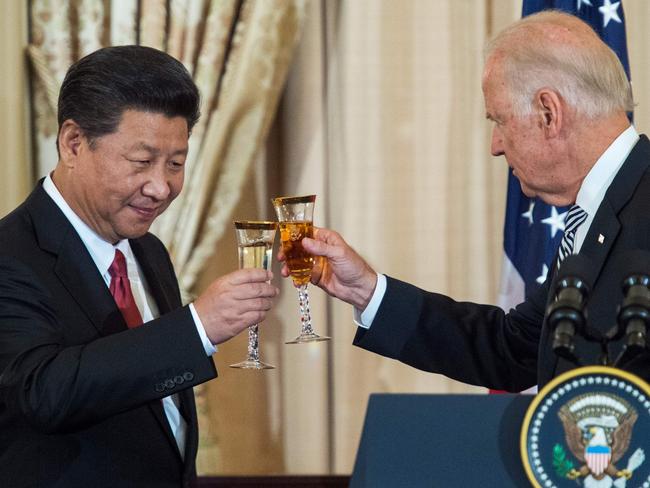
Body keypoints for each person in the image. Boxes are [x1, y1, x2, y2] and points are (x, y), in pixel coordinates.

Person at [279, 11, 650, 391]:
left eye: (499, 121)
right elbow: (517, 348)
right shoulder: (595, 209)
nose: (495, 146)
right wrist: (367, 290)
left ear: (548, 113)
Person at [0, 46, 278, 487]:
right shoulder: (11, 254)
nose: (161, 187)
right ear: (73, 143)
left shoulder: (149, 252)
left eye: (176, 164)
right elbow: (44, 391)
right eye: (141, 162)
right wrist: (197, 328)